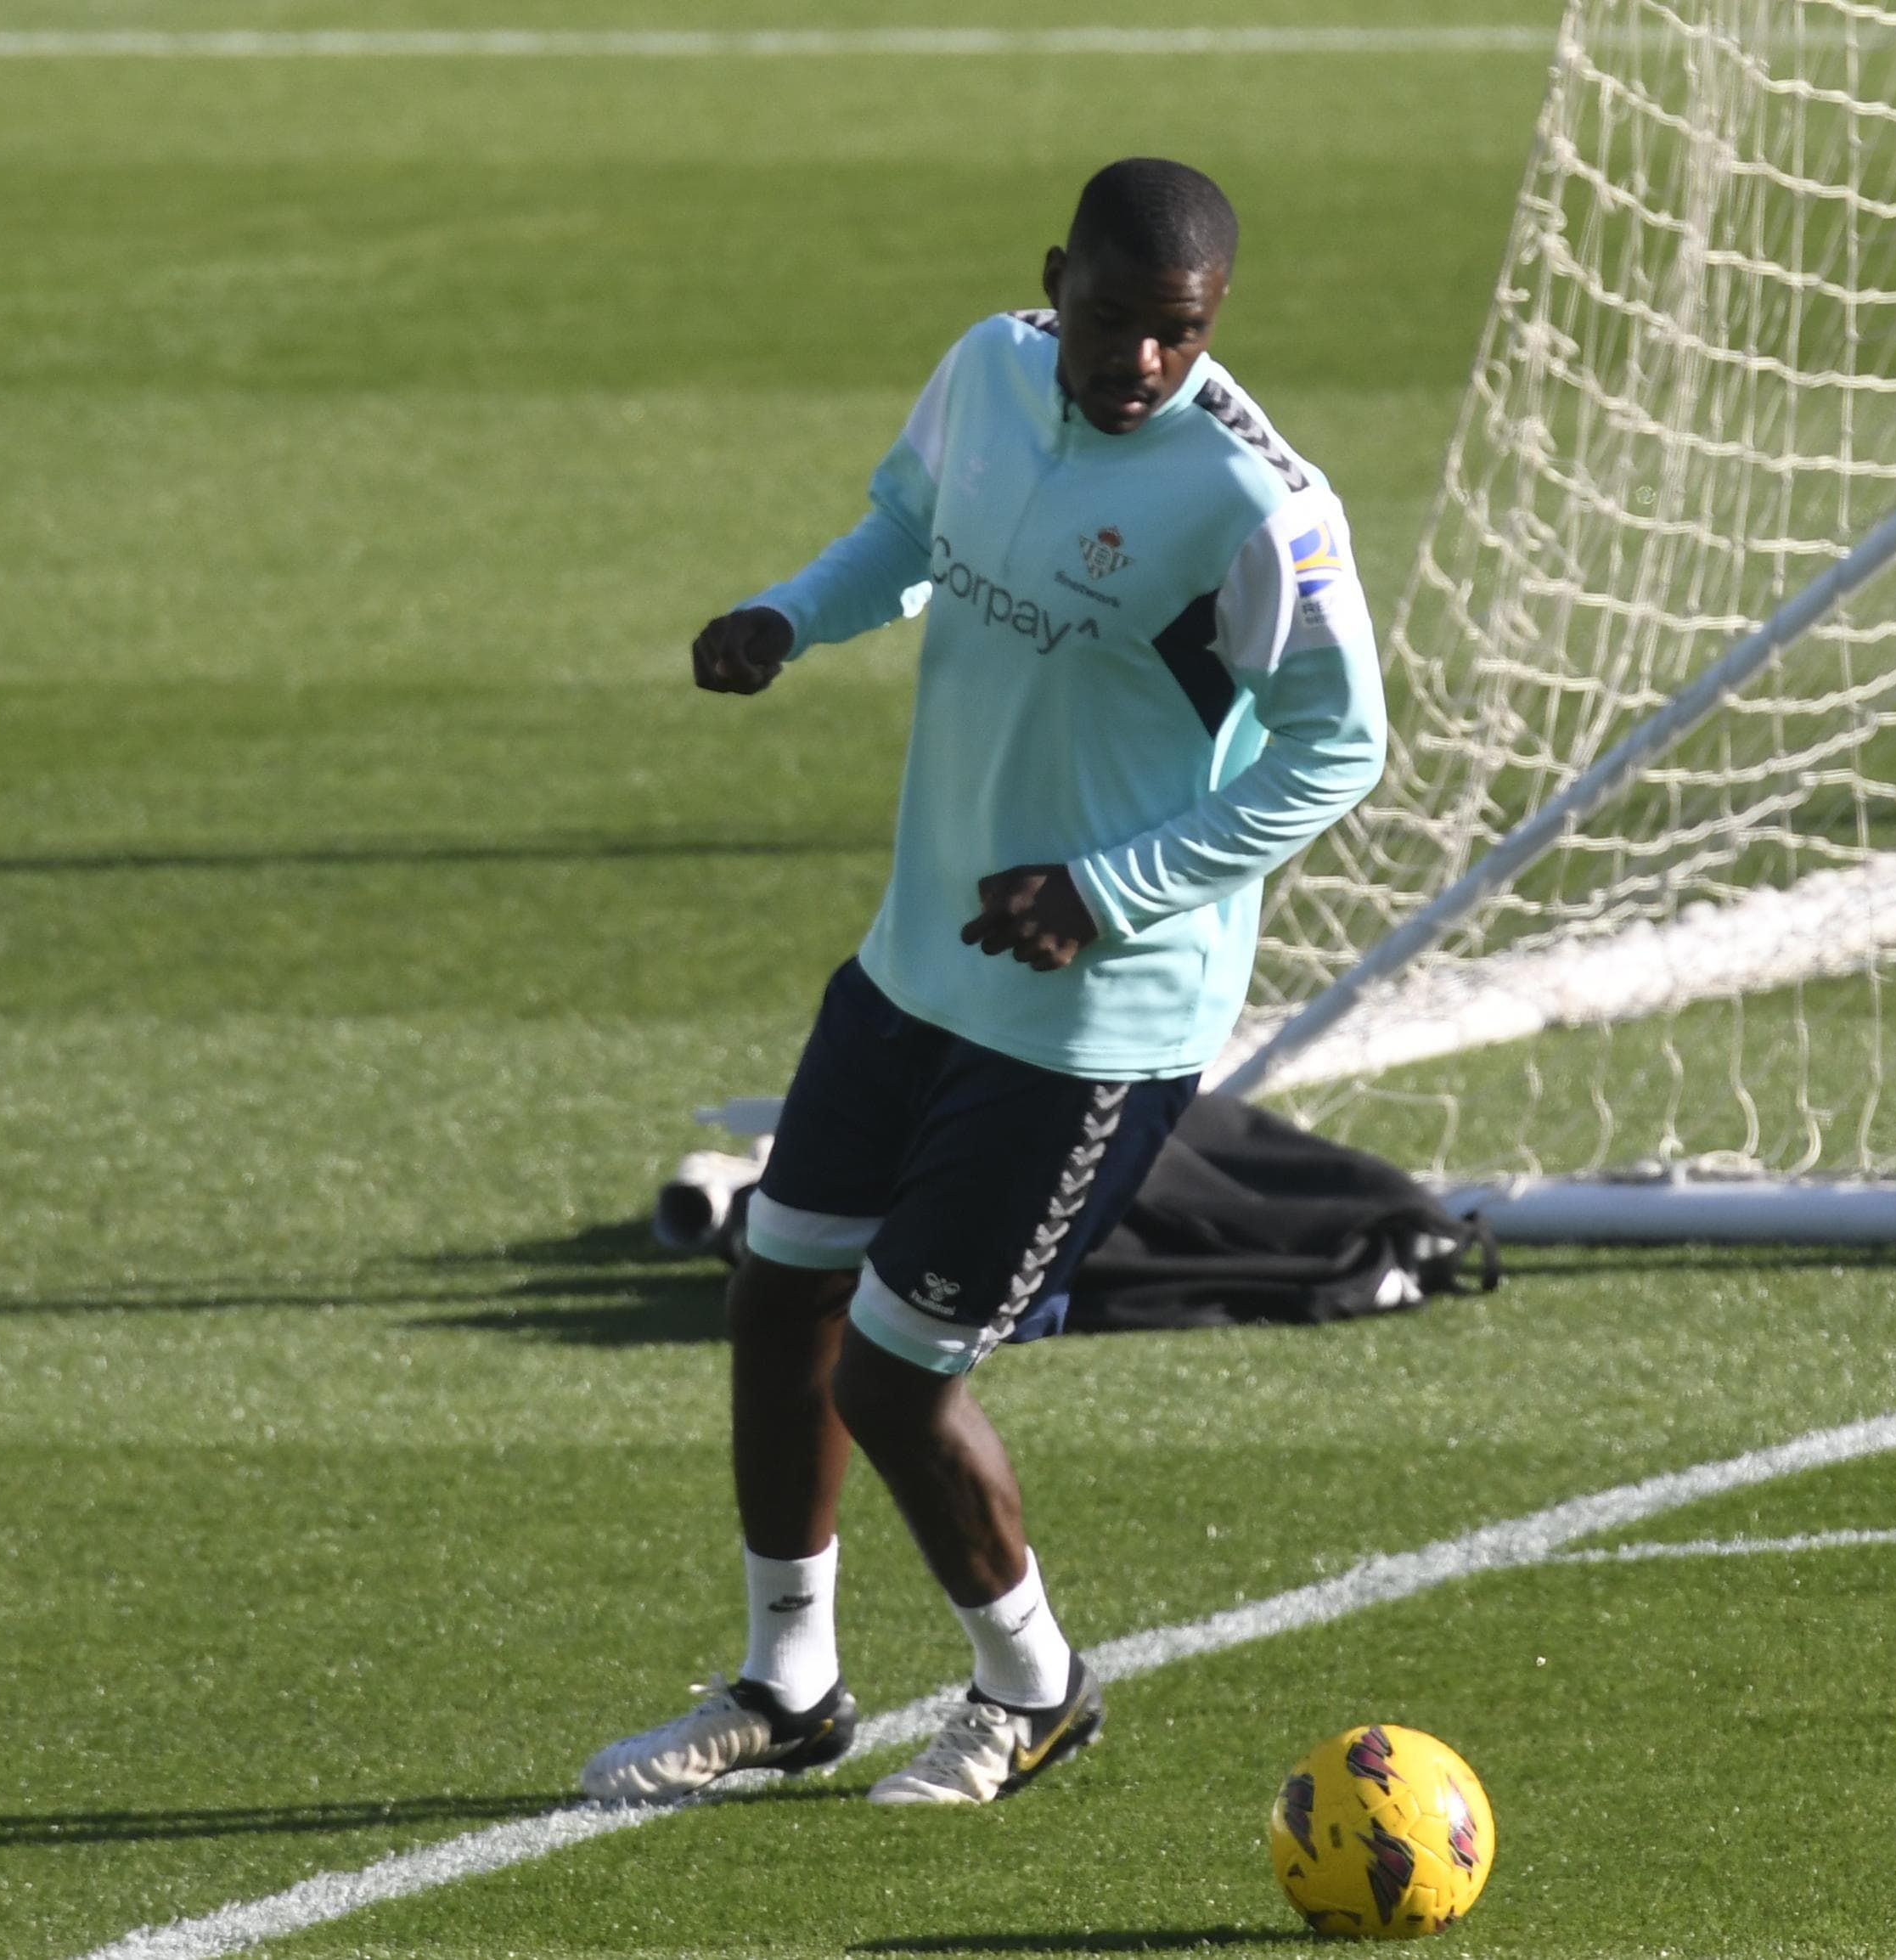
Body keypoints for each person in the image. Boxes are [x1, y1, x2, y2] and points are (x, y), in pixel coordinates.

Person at [582, 158, 1386, 1806]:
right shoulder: (987, 371)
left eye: (1178, 334)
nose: (1142, 363)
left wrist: (1108, 889)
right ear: (1053, 282)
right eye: (1114, 322)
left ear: (1212, 321)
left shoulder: (1257, 506)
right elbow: (906, 528)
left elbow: (1340, 749)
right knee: (778, 1290)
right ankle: (788, 1684)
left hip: (1095, 1019)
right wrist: (789, 616)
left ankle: (1034, 1684)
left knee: (895, 1371)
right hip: (914, 958)